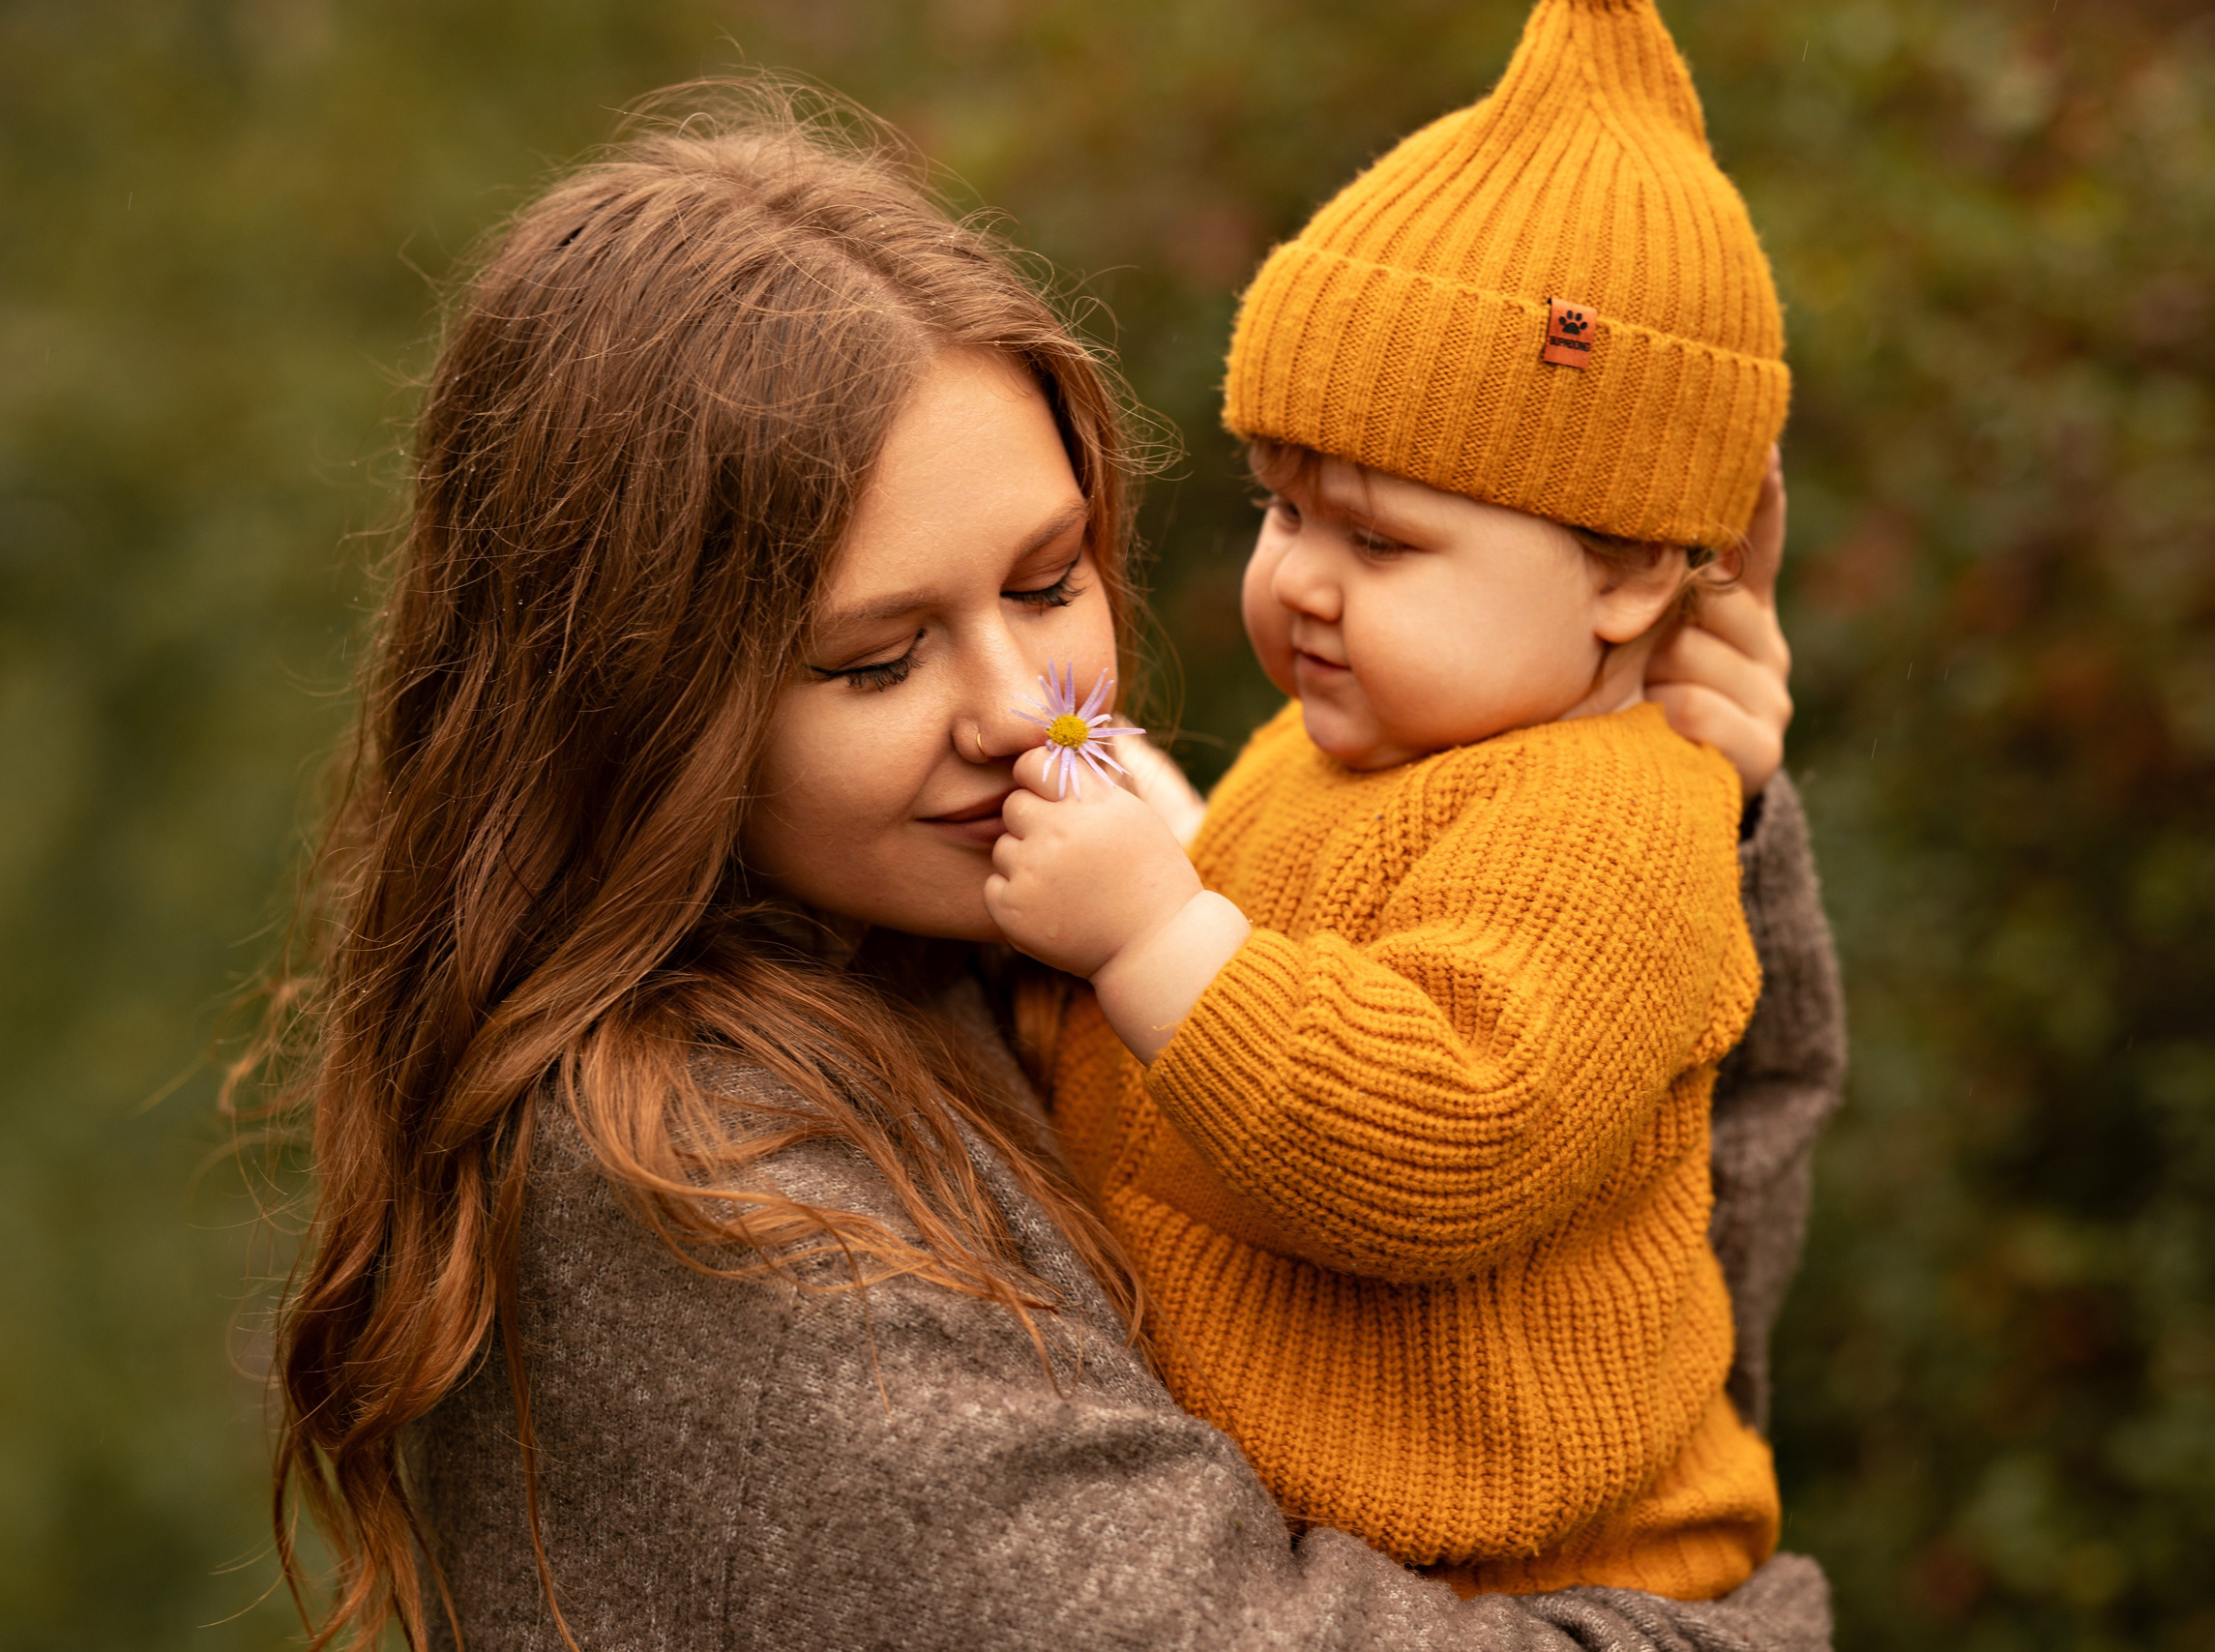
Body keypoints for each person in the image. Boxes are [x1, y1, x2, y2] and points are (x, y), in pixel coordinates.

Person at [252, 78, 1843, 1652]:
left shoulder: (991, 931)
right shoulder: (700, 1186)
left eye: (1046, 579)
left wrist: (1677, 812)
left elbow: (1574, 1373)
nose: (1027, 713)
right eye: (879, 661)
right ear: (641, 700)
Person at [984, 0, 1801, 1604]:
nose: (1300, 584)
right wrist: (1171, 855)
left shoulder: (1616, 821)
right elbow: (1275, 974)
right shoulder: (1353, 741)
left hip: (1542, 1568)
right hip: (1337, 1538)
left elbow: (1446, 1127)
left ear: (1632, 568)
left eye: (1383, 541)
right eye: (1281, 509)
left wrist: (1152, 925)